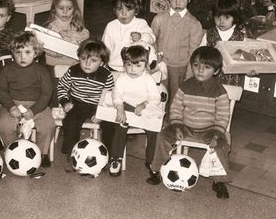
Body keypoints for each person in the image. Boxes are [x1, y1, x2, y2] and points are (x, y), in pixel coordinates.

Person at [147, 46, 232, 199]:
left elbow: (223, 115)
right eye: (196, 65)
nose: (200, 70)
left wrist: (217, 134)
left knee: (221, 146)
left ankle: (219, 181)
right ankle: (157, 170)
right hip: (184, 126)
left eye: (206, 67)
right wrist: (177, 126)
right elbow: (176, 108)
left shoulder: (219, 91)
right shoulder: (185, 86)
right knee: (163, 136)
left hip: (209, 130)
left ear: (217, 71)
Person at [0, 31, 56, 168]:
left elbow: (47, 93)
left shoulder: (41, 70)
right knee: (4, 124)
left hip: (37, 104)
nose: (22, 56)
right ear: (13, 53)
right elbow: (0, 90)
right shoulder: (7, 70)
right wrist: (10, 106)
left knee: (48, 124)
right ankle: (13, 151)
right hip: (13, 102)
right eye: (18, 52)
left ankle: (41, 153)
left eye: (27, 52)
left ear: (35, 52)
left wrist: (34, 110)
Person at [101, 45, 162, 177]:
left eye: (137, 66)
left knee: (154, 130)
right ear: (124, 65)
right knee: (120, 125)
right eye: (128, 65)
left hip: (144, 108)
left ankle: (152, 161)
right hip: (126, 106)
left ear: (145, 66)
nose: (132, 69)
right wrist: (120, 108)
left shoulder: (148, 79)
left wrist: (144, 104)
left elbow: (155, 98)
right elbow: (116, 95)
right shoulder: (122, 78)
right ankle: (115, 158)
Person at [57, 38, 114, 172]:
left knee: (110, 125)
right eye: (83, 59)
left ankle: (107, 156)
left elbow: (109, 97)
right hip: (78, 103)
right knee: (70, 121)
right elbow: (62, 87)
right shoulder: (73, 71)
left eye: (93, 61)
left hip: (99, 105)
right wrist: (65, 102)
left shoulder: (106, 75)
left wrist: (101, 113)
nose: (87, 64)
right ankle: (71, 155)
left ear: (102, 63)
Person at [151, 0, 203, 102]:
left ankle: (174, 120)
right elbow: (151, 40)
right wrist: (154, 61)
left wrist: (190, 73)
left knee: (176, 99)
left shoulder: (194, 24)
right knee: (158, 96)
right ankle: (159, 120)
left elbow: (194, 51)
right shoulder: (159, 19)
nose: (178, 3)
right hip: (161, 65)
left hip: (181, 68)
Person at [102, 0, 156, 72]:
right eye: (119, 9)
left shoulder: (141, 23)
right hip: (113, 67)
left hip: (134, 68)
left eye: (128, 9)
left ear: (136, 10)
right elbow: (105, 47)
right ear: (114, 10)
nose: (124, 13)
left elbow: (152, 39)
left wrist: (141, 36)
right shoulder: (111, 26)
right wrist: (104, 63)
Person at [200, 0, 246, 86]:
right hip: (211, 78)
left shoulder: (241, 37)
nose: (221, 22)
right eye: (218, 17)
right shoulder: (209, 34)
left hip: (231, 80)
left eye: (226, 18)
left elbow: (246, 58)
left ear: (235, 18)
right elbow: (201, 54)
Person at [43, 0, 90, 67]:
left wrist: (72, 34)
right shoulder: (51, 26)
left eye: (69, 8)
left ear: (74, 9)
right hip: (55, 63)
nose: (65, 12)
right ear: (54, 9)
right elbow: (46, 46)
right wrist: (57, 53)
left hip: (74, 63)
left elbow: (86, 35)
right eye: (61, 8)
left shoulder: (76, 23)